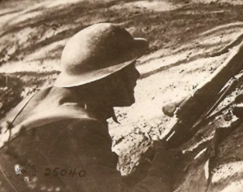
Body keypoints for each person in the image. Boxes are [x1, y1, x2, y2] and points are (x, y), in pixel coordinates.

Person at [0, 23, 182, 192]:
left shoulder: (41, 100)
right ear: (109, 79)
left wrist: (143, 171)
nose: (137, 75)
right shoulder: (77, 127)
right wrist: (162, 170)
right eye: (129, 68)